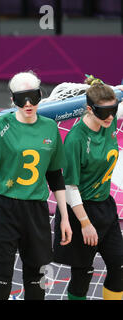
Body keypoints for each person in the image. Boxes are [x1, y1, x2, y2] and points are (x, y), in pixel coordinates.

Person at [0, 71, 73, 300]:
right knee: (1, 278)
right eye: (21, 98)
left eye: (33, 97)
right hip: (2, 208)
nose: (28, 104)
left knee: (36, 280)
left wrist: (64, 216)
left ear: (40, 95)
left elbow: (55, 175)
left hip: (35, 209)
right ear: (12, 99)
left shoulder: (50, 128)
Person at [53, 75, 123, 300]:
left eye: (113, 110)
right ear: (89, 109)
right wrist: (85, 224)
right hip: (81, 210)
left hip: (105, 206)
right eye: (104, 112)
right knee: (83, 273)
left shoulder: (109, 120)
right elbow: (70, 187)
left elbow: (112, 112)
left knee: (119, 265)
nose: (110, 116)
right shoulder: (76, 140)